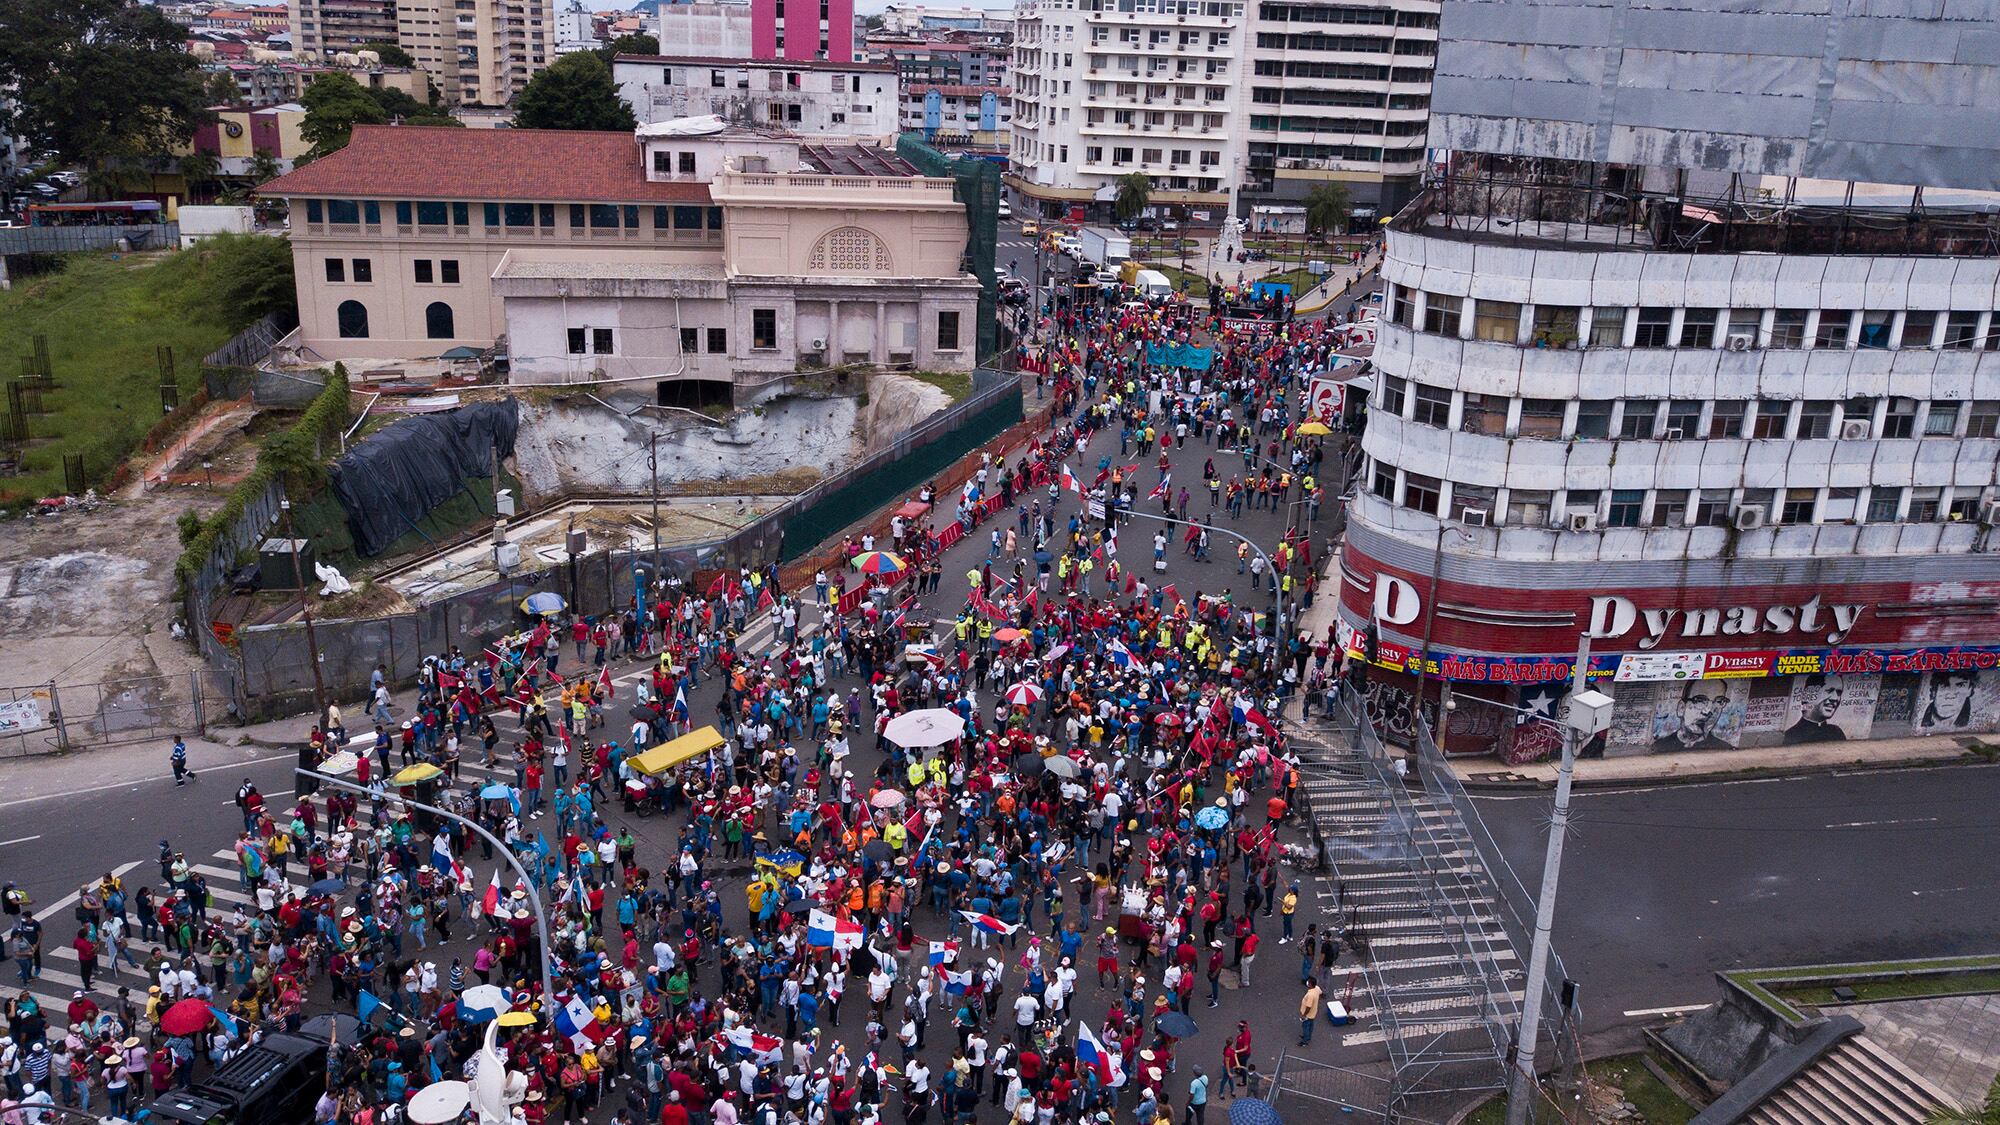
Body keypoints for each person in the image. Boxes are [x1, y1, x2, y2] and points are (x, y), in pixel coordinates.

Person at [1651, 681, 1733, 752]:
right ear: (1681, 708)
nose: (1708, 711)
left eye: (1720, 702)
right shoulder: (1660, 746)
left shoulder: (1723, 748)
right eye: (1700, 701)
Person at [1782, 675, 1850, 744]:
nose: (1835, 698)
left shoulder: (1836, 733)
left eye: (1839, 693)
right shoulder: (1791, 735)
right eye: (1829, 691)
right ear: (1811, 693)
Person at [1297, 980, 1321, 1045]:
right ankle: (1308, 1037)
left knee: (1305, 1027)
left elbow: (1308, 1007)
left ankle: (1305, 1041)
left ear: (1310, 984)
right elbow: (1320, 993)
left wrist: (1304, 1015)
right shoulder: (1317, 988)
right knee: (1311, 1025)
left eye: (1309, 982)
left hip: (1308, 1015)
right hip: (1313, 1012)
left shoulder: (1310, 995)